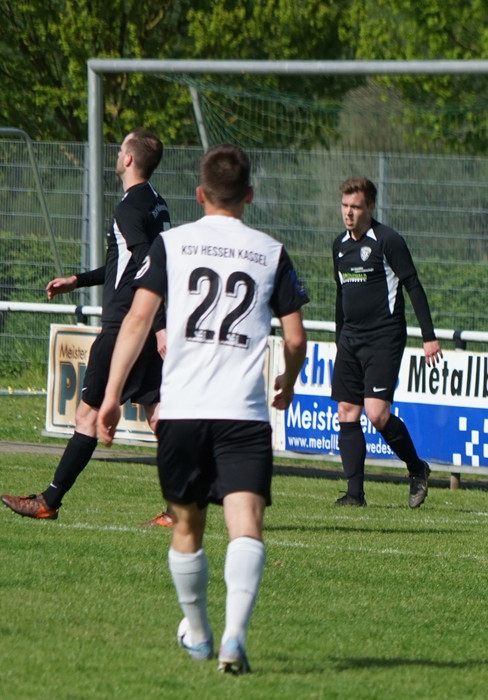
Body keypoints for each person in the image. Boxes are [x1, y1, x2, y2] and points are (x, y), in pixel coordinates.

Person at [97, 143, 309, 674]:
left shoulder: (172, 244)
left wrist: (111, 395)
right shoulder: (270, 252)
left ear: (199, 194)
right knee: (246, 525)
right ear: (249, 196)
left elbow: (138, 321)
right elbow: (295, 338)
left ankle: (197, 630)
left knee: (186, 527)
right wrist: (288, 380)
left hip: (184, 410)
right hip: (243, 412)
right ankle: (234, 637)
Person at [2, 128, 171, 523]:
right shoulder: (156, 203)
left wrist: (159, 323)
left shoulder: (128, 209)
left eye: (121, 148)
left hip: (124, 326)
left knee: (87, 417)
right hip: (144, 323)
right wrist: (77, 280)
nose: (117, 154)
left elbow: (148, 266)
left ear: (129, 159)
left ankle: (48, 501)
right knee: (159, 415)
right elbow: (127, 263)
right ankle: (181, 506)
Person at [331, 176, 441, 508]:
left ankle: (417, 468)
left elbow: (413, 285)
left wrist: (429, 336)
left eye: (356, 207)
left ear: (371, 207)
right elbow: (341, 294)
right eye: (345, 206)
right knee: (346, 411)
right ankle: (354, 495)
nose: (348, 213)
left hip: (383, 338)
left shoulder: (388, 240)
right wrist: (339, 339)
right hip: (350, 339)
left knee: (377, 414)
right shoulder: (339, 245)